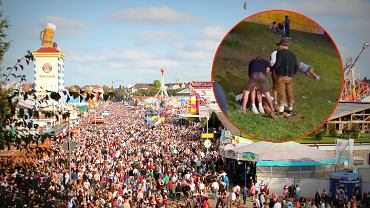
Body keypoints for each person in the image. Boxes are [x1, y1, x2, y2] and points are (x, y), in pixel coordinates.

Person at [272, 39, 298, 116]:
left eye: (279, 45)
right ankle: (290, 109)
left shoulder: (279, 53)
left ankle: (281, 110)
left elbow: (277, 64)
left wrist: (272, 69)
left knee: (281, 92)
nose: (278, 47)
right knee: (289, 92)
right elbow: (296, 66)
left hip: (281, 76)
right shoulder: (293, 54)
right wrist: (292, 74)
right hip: (290, 77)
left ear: (282, 45)